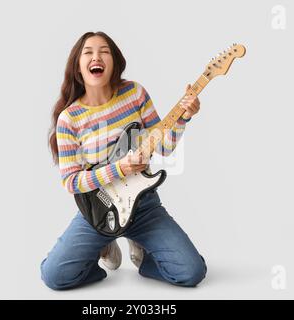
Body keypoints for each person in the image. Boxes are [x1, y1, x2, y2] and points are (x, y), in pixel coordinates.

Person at [41, 31, 207, 290]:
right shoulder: (69, 119)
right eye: (88, 52)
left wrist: (184, 117)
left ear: (114, 61)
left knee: (192, 271)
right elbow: (71, 181)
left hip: (143, 207)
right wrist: (119, 169)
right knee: (54, 276)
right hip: (98, 208)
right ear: (78, 67)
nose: (97, 56)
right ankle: (103, 246)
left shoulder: (135, 94)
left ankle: (145, 259)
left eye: (104, 51)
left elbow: (163, 147)